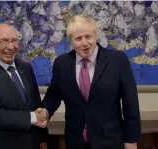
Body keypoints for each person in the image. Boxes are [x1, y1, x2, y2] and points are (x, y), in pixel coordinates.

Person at [41, 15, 141, 149]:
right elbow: (54, 95)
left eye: (88, 37)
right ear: (70, 41)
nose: (84, 43)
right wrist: (45, 111)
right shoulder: (61, 64)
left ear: (95, 36)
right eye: (78, 38)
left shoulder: (117, 60)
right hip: (76, 142)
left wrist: (131, 140)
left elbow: (131, 104)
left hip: (110, 141)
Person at [0, 23, 48, 149]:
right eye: (4, 41)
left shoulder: (26, 68)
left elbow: (35, 104)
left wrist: (42, 140)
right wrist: (34, 117)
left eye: (14, 40)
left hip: (32, 144)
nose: (11, 47)